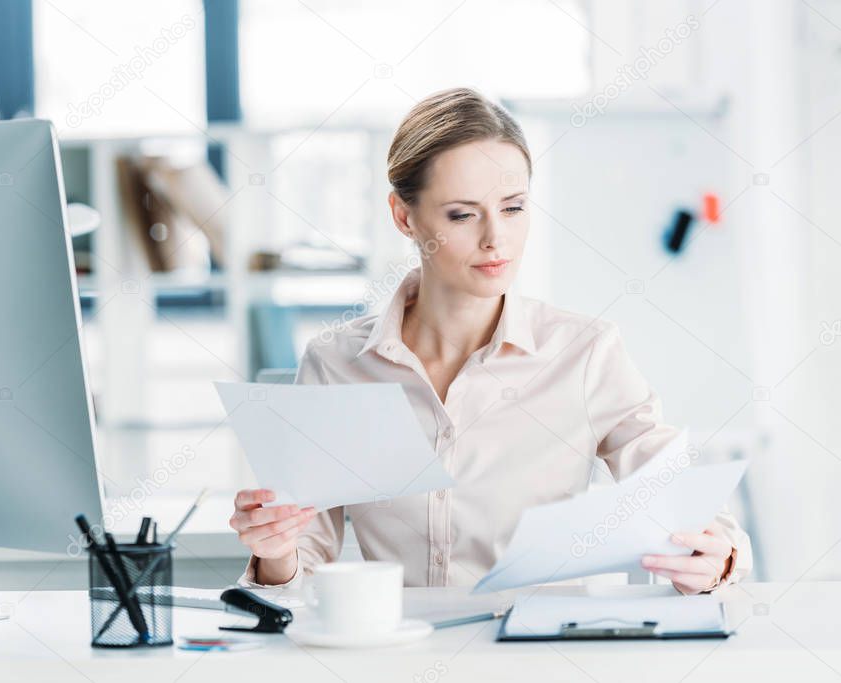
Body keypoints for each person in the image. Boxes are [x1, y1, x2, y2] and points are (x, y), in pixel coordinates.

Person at [229, 87, 752, 594]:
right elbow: (304, 569)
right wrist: (275, 551)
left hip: (539, 657)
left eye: (513, 207)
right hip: (399, 655)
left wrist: (717, 557)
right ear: (404, 216)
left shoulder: (584, 353)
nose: (494, 238)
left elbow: (688, 506)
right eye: (462, 214)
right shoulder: (336, 363)